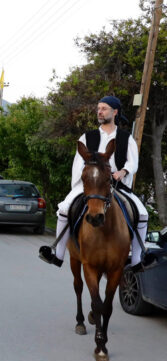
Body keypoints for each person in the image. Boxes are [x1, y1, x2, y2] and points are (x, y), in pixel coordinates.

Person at [39, 96, 149, 270]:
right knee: (64, 208)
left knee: (142, 214)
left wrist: (122, 172)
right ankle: (58, 254)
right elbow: (78, 164)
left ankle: (136, 260)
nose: (99, 112)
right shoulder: (87, 137)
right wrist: (81, 184)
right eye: (98, 108)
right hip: (90, 184)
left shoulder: (126, 138)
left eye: (104, 109)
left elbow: (133, 162)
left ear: (115, 112)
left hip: (117, 184)